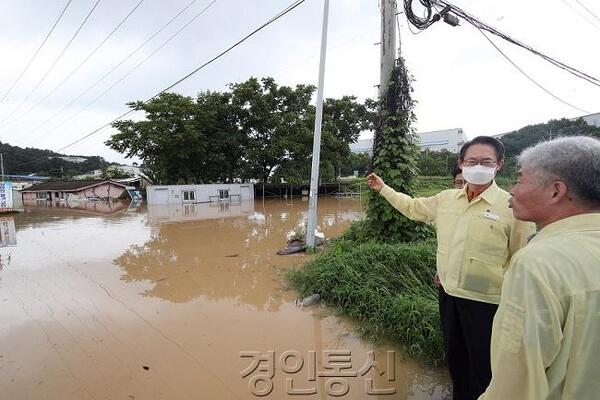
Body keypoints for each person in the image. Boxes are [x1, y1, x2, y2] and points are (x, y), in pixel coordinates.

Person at [367, 136, 535, 400]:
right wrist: (384, 188)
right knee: (455, 357)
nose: (478, 166)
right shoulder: (446, 199)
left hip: (488, 302)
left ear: (499, 165)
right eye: (472, 161)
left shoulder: (511, 206)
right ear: (462, 163)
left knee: (484, 365)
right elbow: (412, 208)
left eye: (486, 161)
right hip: (448, 294)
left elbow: (521, 258)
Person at [479, 136, 600, 400]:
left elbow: (515, 385)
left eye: (520, 179)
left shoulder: (537, 264)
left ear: (556, 191)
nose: (513, 190)